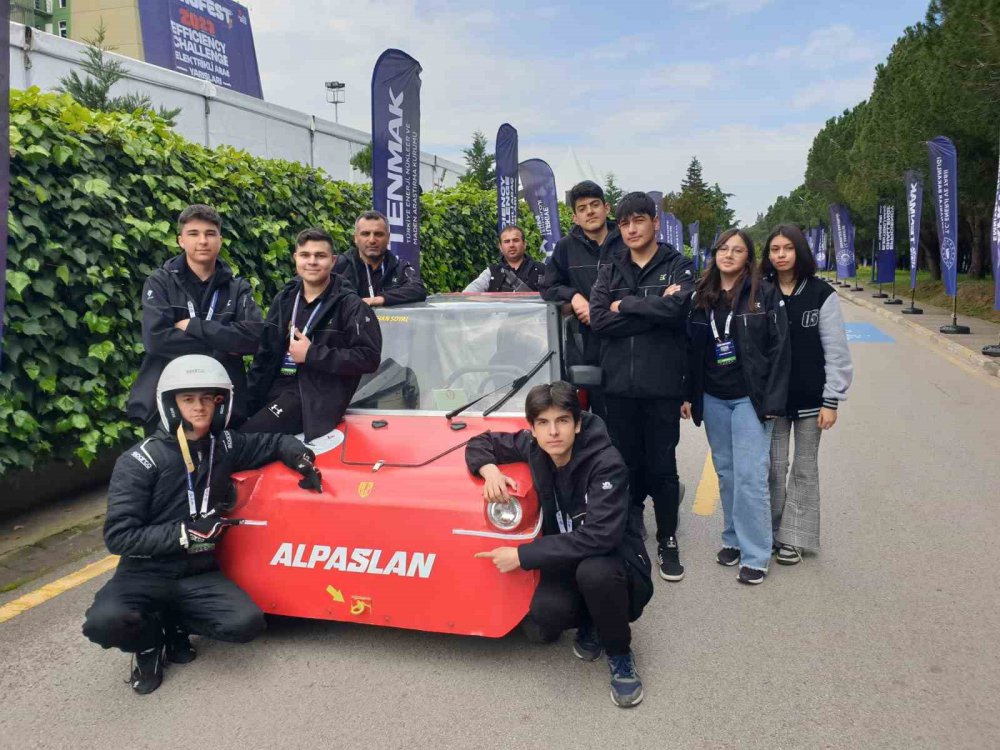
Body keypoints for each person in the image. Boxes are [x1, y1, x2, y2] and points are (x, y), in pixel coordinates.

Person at [83, 355, 322, 694]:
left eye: (207, 398)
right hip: (145, 572)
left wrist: (302, 459)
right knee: (102, 623)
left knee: (246, 624)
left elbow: (273, 441)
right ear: (171, 403)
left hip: (197, 570)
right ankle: (149, 644)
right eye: (188, 399)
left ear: (218, 403)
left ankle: (175, 625)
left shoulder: (224, 444)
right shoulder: (139, 461)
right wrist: (184, 534)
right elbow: (119, 537)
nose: (199, 407)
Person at [467, 382, 653, 708]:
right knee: (545, 616)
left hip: (615, 562)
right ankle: (590, 622)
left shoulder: (606, 462)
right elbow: (479, 442)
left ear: (577, 424)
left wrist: (522, 555)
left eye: (562, 421)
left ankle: (620, 654)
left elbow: (600, 536)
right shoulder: (535, 448)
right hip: (568, 557)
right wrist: (490, 469)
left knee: (595, 573)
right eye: (543, 423)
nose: (553, 432)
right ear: (533, 428)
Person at [590, 192, 695, 582]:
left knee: (662, 468)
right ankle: (630, 533)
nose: (631, 229)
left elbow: (679, 309)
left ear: (654, 221)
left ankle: (667, 537)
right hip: (618, 387)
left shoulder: (678, 265)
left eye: (639, 220)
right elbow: (599, 320)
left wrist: (627, 306)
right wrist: (652, 309)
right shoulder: (611, 269)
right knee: (626, 465)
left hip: (662, 386)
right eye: (624, 223)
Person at [681, 229, 790, 585]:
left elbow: (779, 350)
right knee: (726, 472)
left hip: (750, 398)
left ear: (749, 257)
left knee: (750, 476)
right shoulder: (701, 294)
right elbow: (689, 349)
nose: (729, 254)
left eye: (737, 249)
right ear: (714, 254)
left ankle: (756, 553)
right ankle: (732, 538)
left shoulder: (764, 294)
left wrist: (773, 400)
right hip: (713, 396)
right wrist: (687, 393)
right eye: (723, 248)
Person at [126, 204, 262, 433]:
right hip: (167, 404)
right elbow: (156, 340)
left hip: (222, 404)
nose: (203, 241)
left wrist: (194, 326)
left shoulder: (238, 288)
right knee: (171, 469)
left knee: (222, 468)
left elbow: (254, 338)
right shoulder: (160, 282)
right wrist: (225, 343)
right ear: (181, 241)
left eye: (210, 234)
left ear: (220, 240)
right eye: (193, 234)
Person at [762, 225, 853, 565]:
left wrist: (832, 400)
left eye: (787, 248)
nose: (781, 254)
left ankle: (794, 538)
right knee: (772, 466)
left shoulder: (821, 294)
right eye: (774, 249)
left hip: (813, 400)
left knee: (803, 467)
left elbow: (837, 351)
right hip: (773, 401)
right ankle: (770, 532)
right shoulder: (762, 290)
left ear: (800, 251)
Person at [243, 228, 382, 440]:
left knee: (244, 438)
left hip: (312, 399)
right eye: (305, 255)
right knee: (224, 427)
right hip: (273, 389)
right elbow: (265, 354)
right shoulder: (285, 298)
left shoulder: (351, 304)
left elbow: (368, 358)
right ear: (295, 258)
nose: (312, 262)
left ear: (333, 261)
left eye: (320, 256)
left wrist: (312, 354)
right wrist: (248, 399)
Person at [540, 181, 625, 417]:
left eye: (595, 205)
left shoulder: (626, 242)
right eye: (582, 208)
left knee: (628, 417)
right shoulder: (566, 248)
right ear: (575, 217)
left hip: (627, 338)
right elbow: (548, 286)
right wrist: (575, 297)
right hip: (590, 344)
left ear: (607, 208)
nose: (590, 211)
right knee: (597, 415)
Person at [333, 210, 428, 307]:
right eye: (365, 234)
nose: (372, 240)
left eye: (378, 234)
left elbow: (418, 289)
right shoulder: (339, 266)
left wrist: (380, 299)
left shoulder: (399, 267)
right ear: (355, 238)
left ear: (388, 238)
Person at [463, 225, 546, 293]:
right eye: (506, 241)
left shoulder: (542, 270)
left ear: (524, 244)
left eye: (516, 240)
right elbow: (468, 293)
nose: (511, 245)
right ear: (500, 247)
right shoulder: (491, 272)